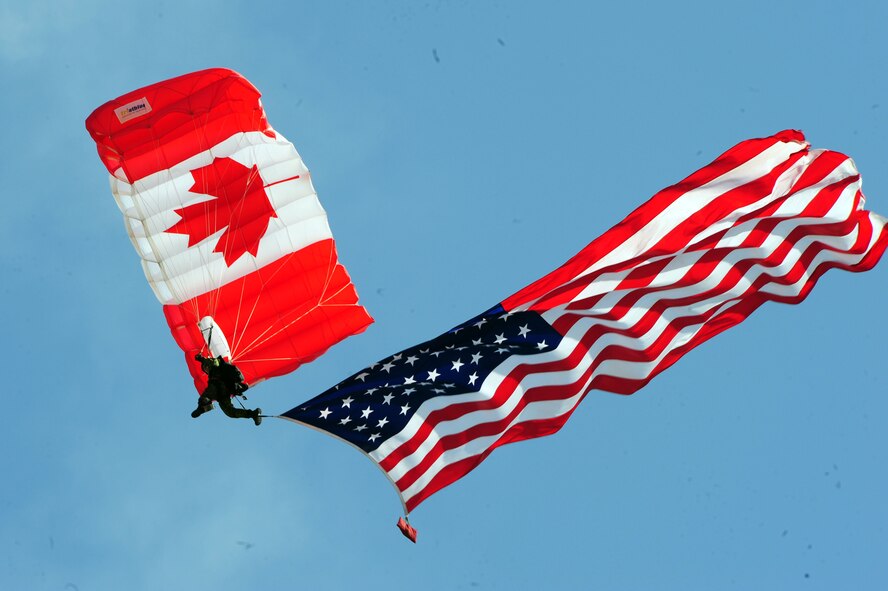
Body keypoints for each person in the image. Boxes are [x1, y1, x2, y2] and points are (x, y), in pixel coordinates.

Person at [190, 354, 262, 426]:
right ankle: (253, 414)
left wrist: (201, 359)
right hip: (222, 393)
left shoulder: (216, 366)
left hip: (219, 385)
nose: (206, 369)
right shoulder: (214, 371)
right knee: (230, 412)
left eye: (205, 368)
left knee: (206, 397)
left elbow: (211, 362)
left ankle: (202, 408)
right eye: (205, 369)